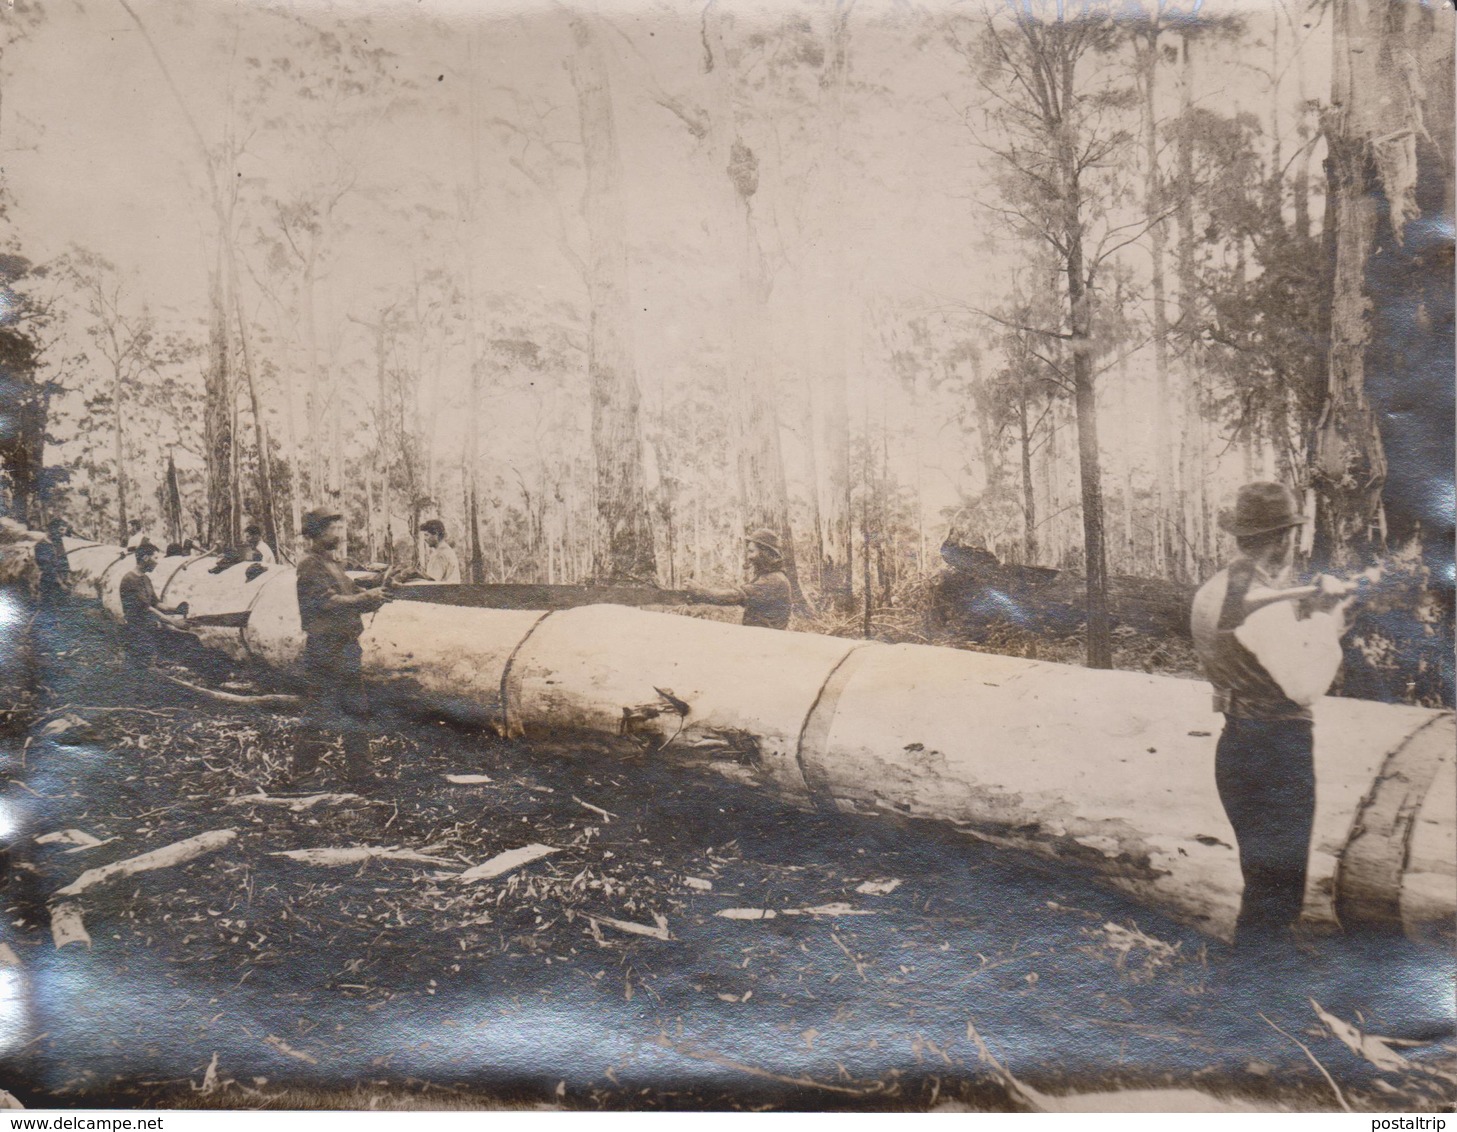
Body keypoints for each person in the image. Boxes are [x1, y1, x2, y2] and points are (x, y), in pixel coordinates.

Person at [1190, 482, 1358, 954]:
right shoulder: (1262, 605)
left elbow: (1249, 649)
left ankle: (1249, 989)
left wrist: (1302, 611)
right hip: (1276, 754)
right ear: (1284, 539)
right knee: (1277, 898)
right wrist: (1329, 621)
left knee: (1263, 885)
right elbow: (1305, 687)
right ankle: (1254, 1002)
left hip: (1238, 746)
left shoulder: (1215, 590)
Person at [294, 508, 392, 787]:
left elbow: (352, 594)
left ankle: (362, 774)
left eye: (339, 528)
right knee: (318, 710)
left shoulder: (333, 564)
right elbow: (326, 602)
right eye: (331, 529)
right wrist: (365, 599)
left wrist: (377, 594)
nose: (338, 533)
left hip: (346, 647)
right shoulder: (310, 564)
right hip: (326, 648)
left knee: (355, 709)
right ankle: (302, 776)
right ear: (315, 533)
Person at [687, 528, 792, 630]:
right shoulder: (770, 577)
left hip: (766, 641)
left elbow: (735, 596)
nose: (749, 557)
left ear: (764, 553)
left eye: (752, 551)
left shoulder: (773, 580)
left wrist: (700, 591)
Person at [117, 544, 189, 667]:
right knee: (144, 669)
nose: (157, 562)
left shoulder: (145, 579)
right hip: (137, 633)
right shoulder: (130, 580)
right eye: (155, 558)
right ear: (145, 558)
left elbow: (156, 604)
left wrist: (176, 609)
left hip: (148, 629)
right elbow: (147, 609)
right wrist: (173, 622)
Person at [34, 518, 72, 611]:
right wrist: (61, 584)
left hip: (63, 583)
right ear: (52, 529)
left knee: (64, 613)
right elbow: (48, 569)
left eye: (64, 530)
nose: (63, 533)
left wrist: (68, 579)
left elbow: (65, 561)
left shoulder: (58, 542)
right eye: (61, 530)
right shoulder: (41, 545)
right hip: (49, 584)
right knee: (48, 612)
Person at [416, 519, 461, 584]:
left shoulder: (439, 555)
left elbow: (432, 583)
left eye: (426, 535)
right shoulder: (447, 550)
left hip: (443, 592)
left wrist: (415, 574)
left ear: (436, 535)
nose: (425, 539)